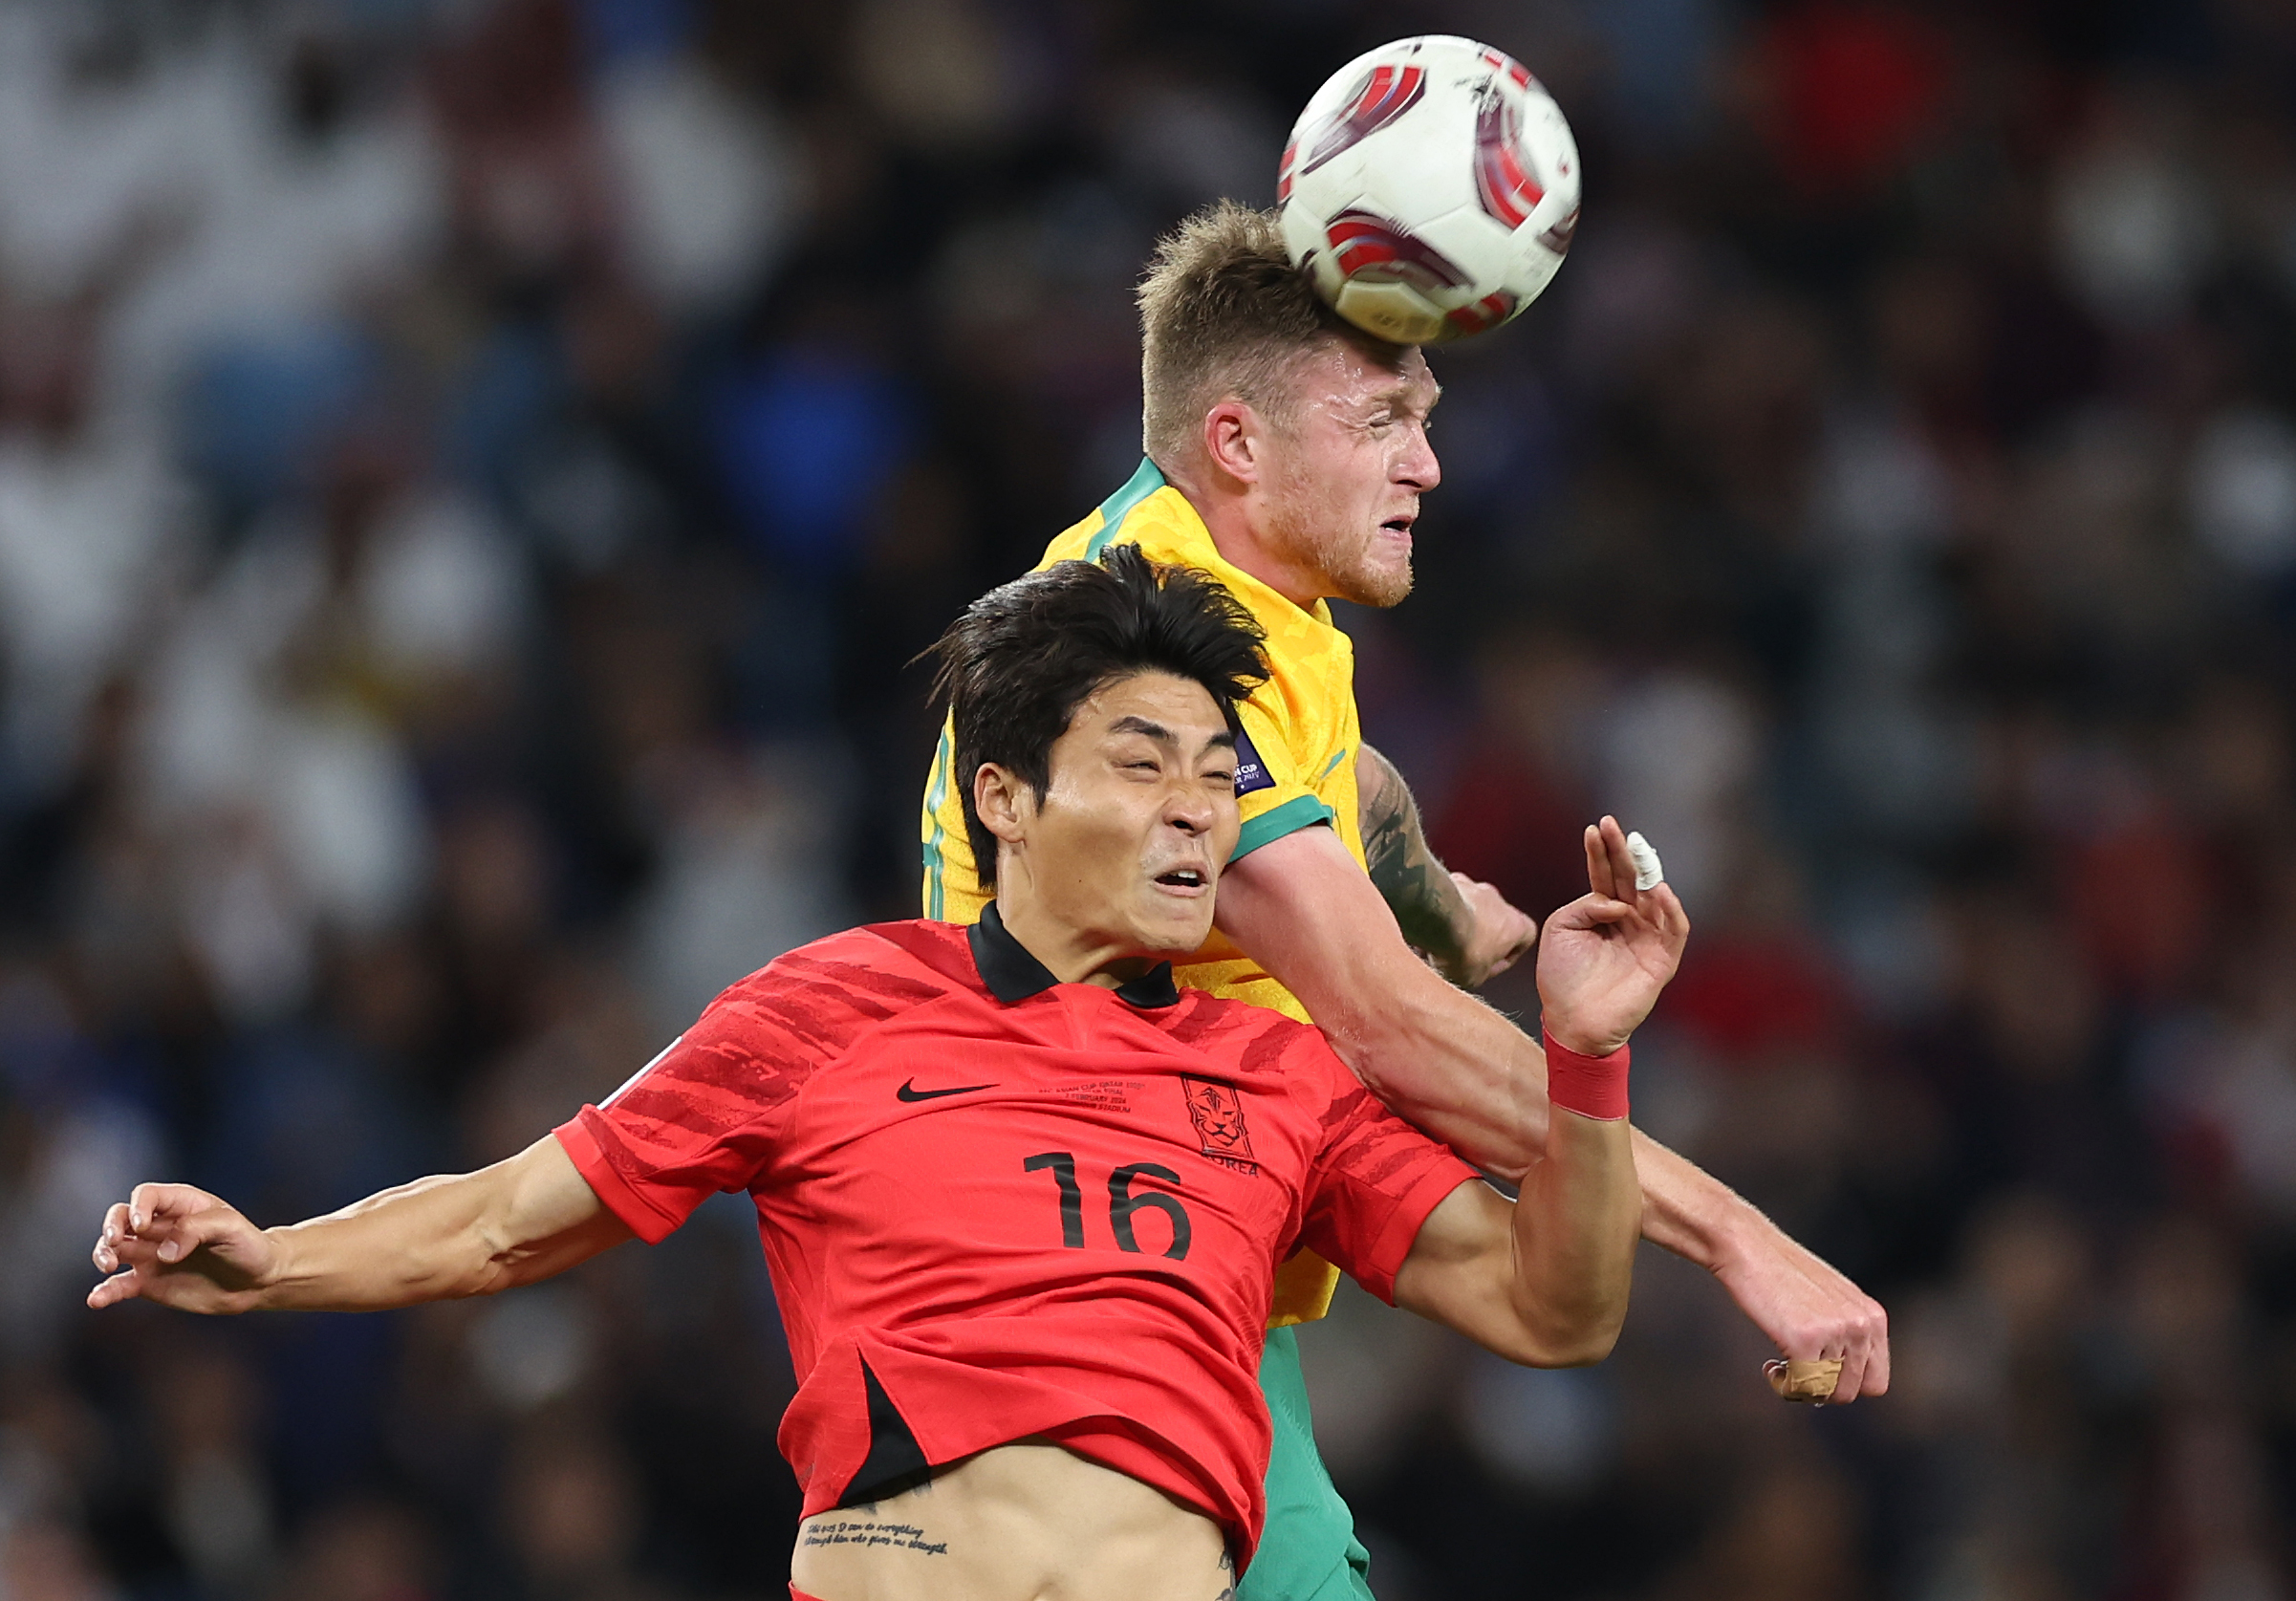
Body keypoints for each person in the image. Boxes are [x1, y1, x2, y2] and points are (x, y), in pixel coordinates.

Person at [90, 549, 1685, 1601]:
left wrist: (1587, 1059)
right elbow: (506, 1218)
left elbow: (1555, 1309)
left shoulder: (1278, 1076)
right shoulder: (828, 1012)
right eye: (1141, 764)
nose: (1198, 814)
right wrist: (273, 1263)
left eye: (1219, 778)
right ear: (1003, 798)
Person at [921, 202, 1890, 1601]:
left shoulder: (1232, 597)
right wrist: (1746, 1240)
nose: (1427, 463)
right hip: (1066, 1321)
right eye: (1380, 421)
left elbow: (1342, 778)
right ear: (1238, 442)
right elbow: (1388, 1025)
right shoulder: (1144, 649)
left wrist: (1434, 902)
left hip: (1188, 1268)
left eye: (1424, 418)